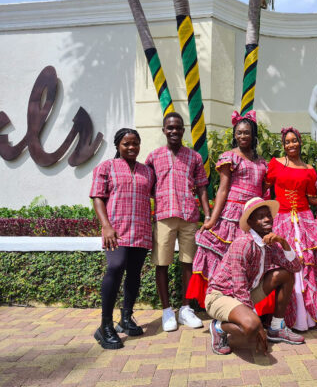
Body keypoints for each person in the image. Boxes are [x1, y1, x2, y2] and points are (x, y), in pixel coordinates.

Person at [186, 110, 268, 307]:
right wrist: (213, 219)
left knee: (252, 259)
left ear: (253, 134)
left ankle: (249, 303)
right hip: (232, 214)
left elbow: (265, 192)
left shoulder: (262, 162)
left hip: (253, 216)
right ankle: (221, 302)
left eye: (246, 132)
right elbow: (222, 190)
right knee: (226, 258)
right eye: (239, 132)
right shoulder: (230, 157)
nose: (242, 136)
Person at [206, 197, 305, 355]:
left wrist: (283, 242)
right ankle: (218, 327)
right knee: (251, 326)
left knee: (285, 275)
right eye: (260, 217)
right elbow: (239, 287)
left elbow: (296, 267)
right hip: (221, 296)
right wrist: (257, 323)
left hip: (246, 293)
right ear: (250, 222)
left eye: (268, 215)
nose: (267, 219)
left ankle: (276, 328)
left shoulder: (269, 244)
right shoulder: (243, 243)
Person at [145, 112, 211, 331]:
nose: (174, 131)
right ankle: (166, 311)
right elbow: (146, 187)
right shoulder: (153, 157)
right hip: (163, 215)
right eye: (169, 128)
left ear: (183, 130)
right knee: (162, 263)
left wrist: (207, 214)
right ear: (164, 130)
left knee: (188, 263)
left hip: (189, 216)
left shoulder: (194, 157)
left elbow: (202, 186)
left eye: (178, 127)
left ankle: (185, 309)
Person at [90, 128, 154, 349]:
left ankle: (126, 318)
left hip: (142, 229)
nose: (131, 147)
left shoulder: (147, 171)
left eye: (135, 143)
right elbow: (98, 197)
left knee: (134, 274)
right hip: (116, 230)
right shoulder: (106, 167)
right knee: (115, 268)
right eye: (126, 143)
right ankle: (104, 326)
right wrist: (106, 226)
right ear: (118, 145)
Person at [266, 127, 317, 331]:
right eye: (287, 141)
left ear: (300, 142)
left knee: (306, 265)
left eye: (294, 141)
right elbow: (266, 190)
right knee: (286, 262)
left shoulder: (309, 169)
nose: (291, 144)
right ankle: (289, 317)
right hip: (282, 218)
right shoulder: (275, 164)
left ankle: (307, 316)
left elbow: (312, 197)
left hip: (304, 219)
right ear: (284, 145)